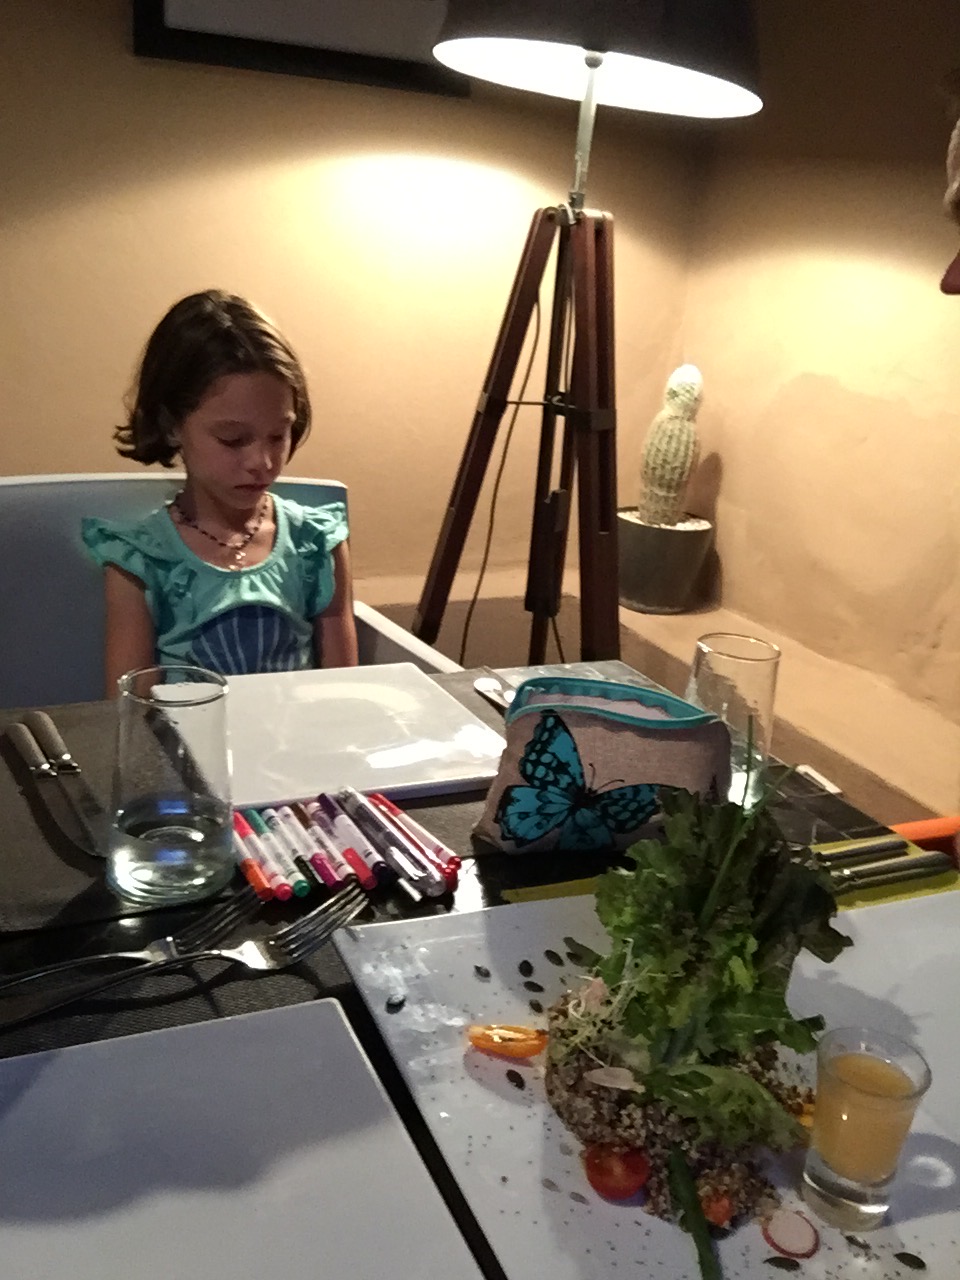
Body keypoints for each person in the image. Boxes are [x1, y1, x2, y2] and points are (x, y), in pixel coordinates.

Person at [82, 289, 359, 694]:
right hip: (184, 735)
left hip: (298, 732)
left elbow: (344, 691)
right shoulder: (141, 558)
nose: (262, 462)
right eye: (233, 440)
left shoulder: (316, 542)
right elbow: (131, 710)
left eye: (278, 435)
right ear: (172, 425)